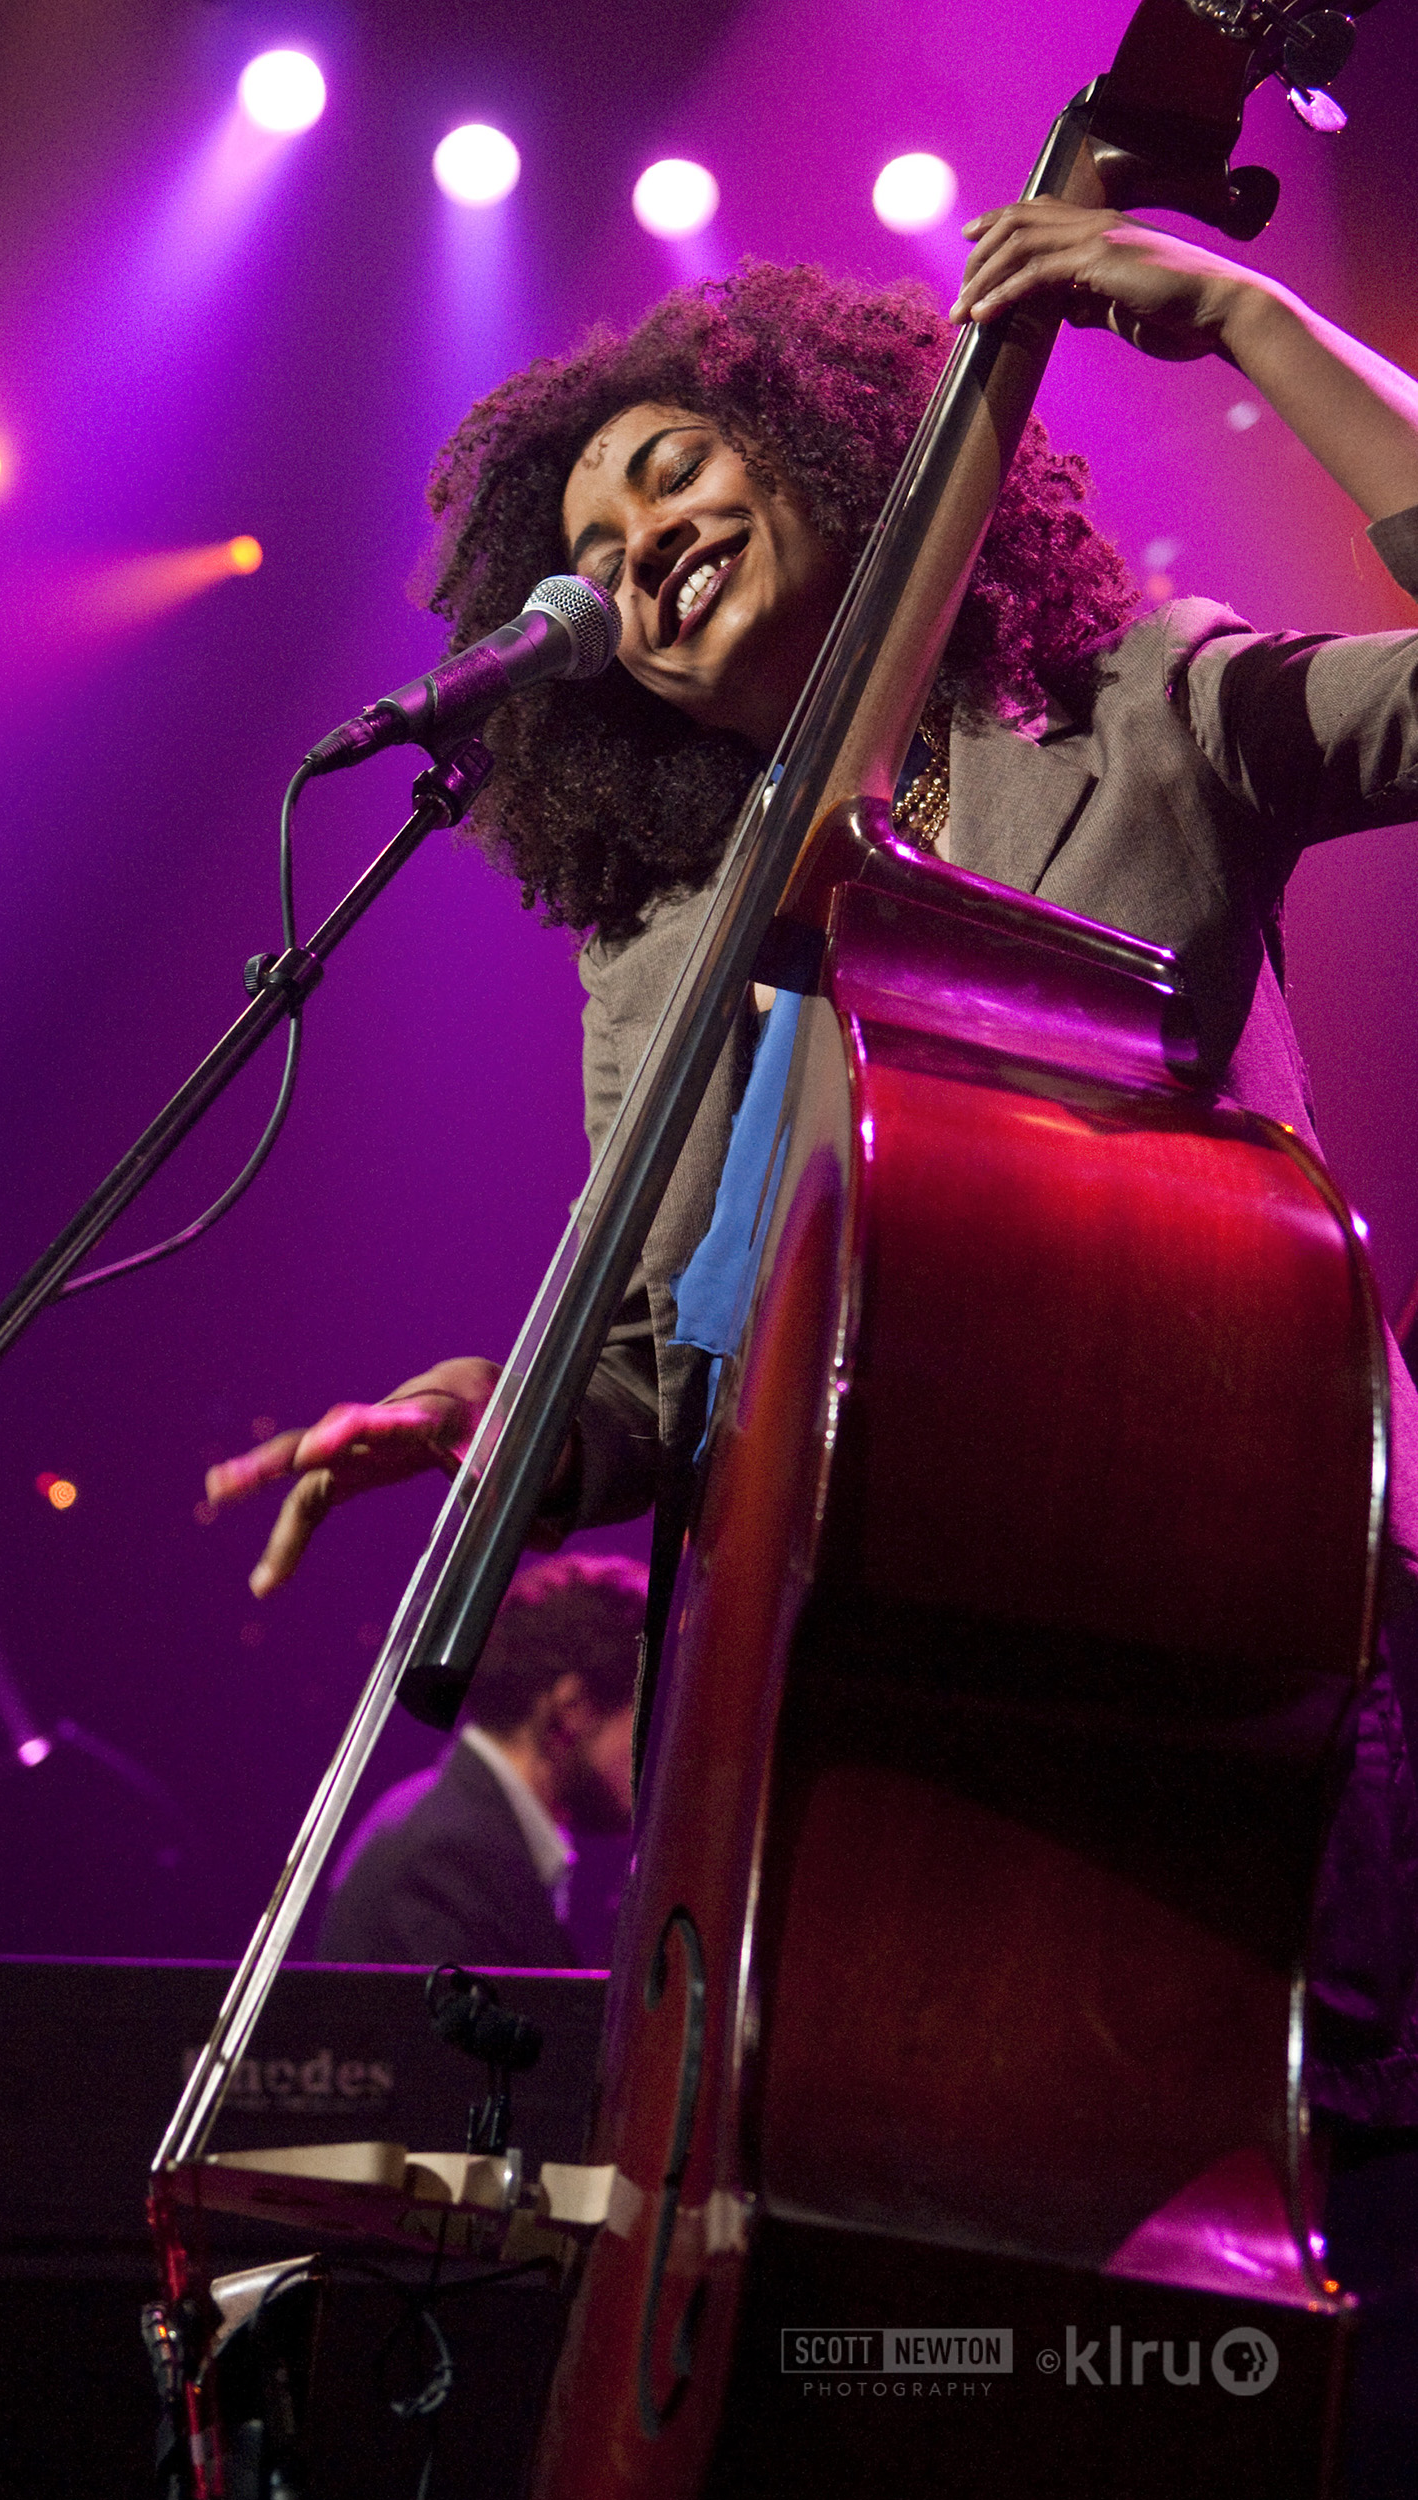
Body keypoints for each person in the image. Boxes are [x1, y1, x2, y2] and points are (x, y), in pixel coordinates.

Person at [207, 203, 1418, 2112]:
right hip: (845, 1732)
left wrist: (1253, 319)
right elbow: (663, 1364)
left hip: (1221, 1662)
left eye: (669, 474)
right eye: (588, 554)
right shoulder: (653, 950)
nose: (629, 558)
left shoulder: (1149, 712)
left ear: (830, 457)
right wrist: (504, 1419)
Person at [314, 1553, 642, 1968]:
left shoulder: (462, 1831)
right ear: (573, 1709)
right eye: (644, 1721)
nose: (657, 1760)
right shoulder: (446, 1858)